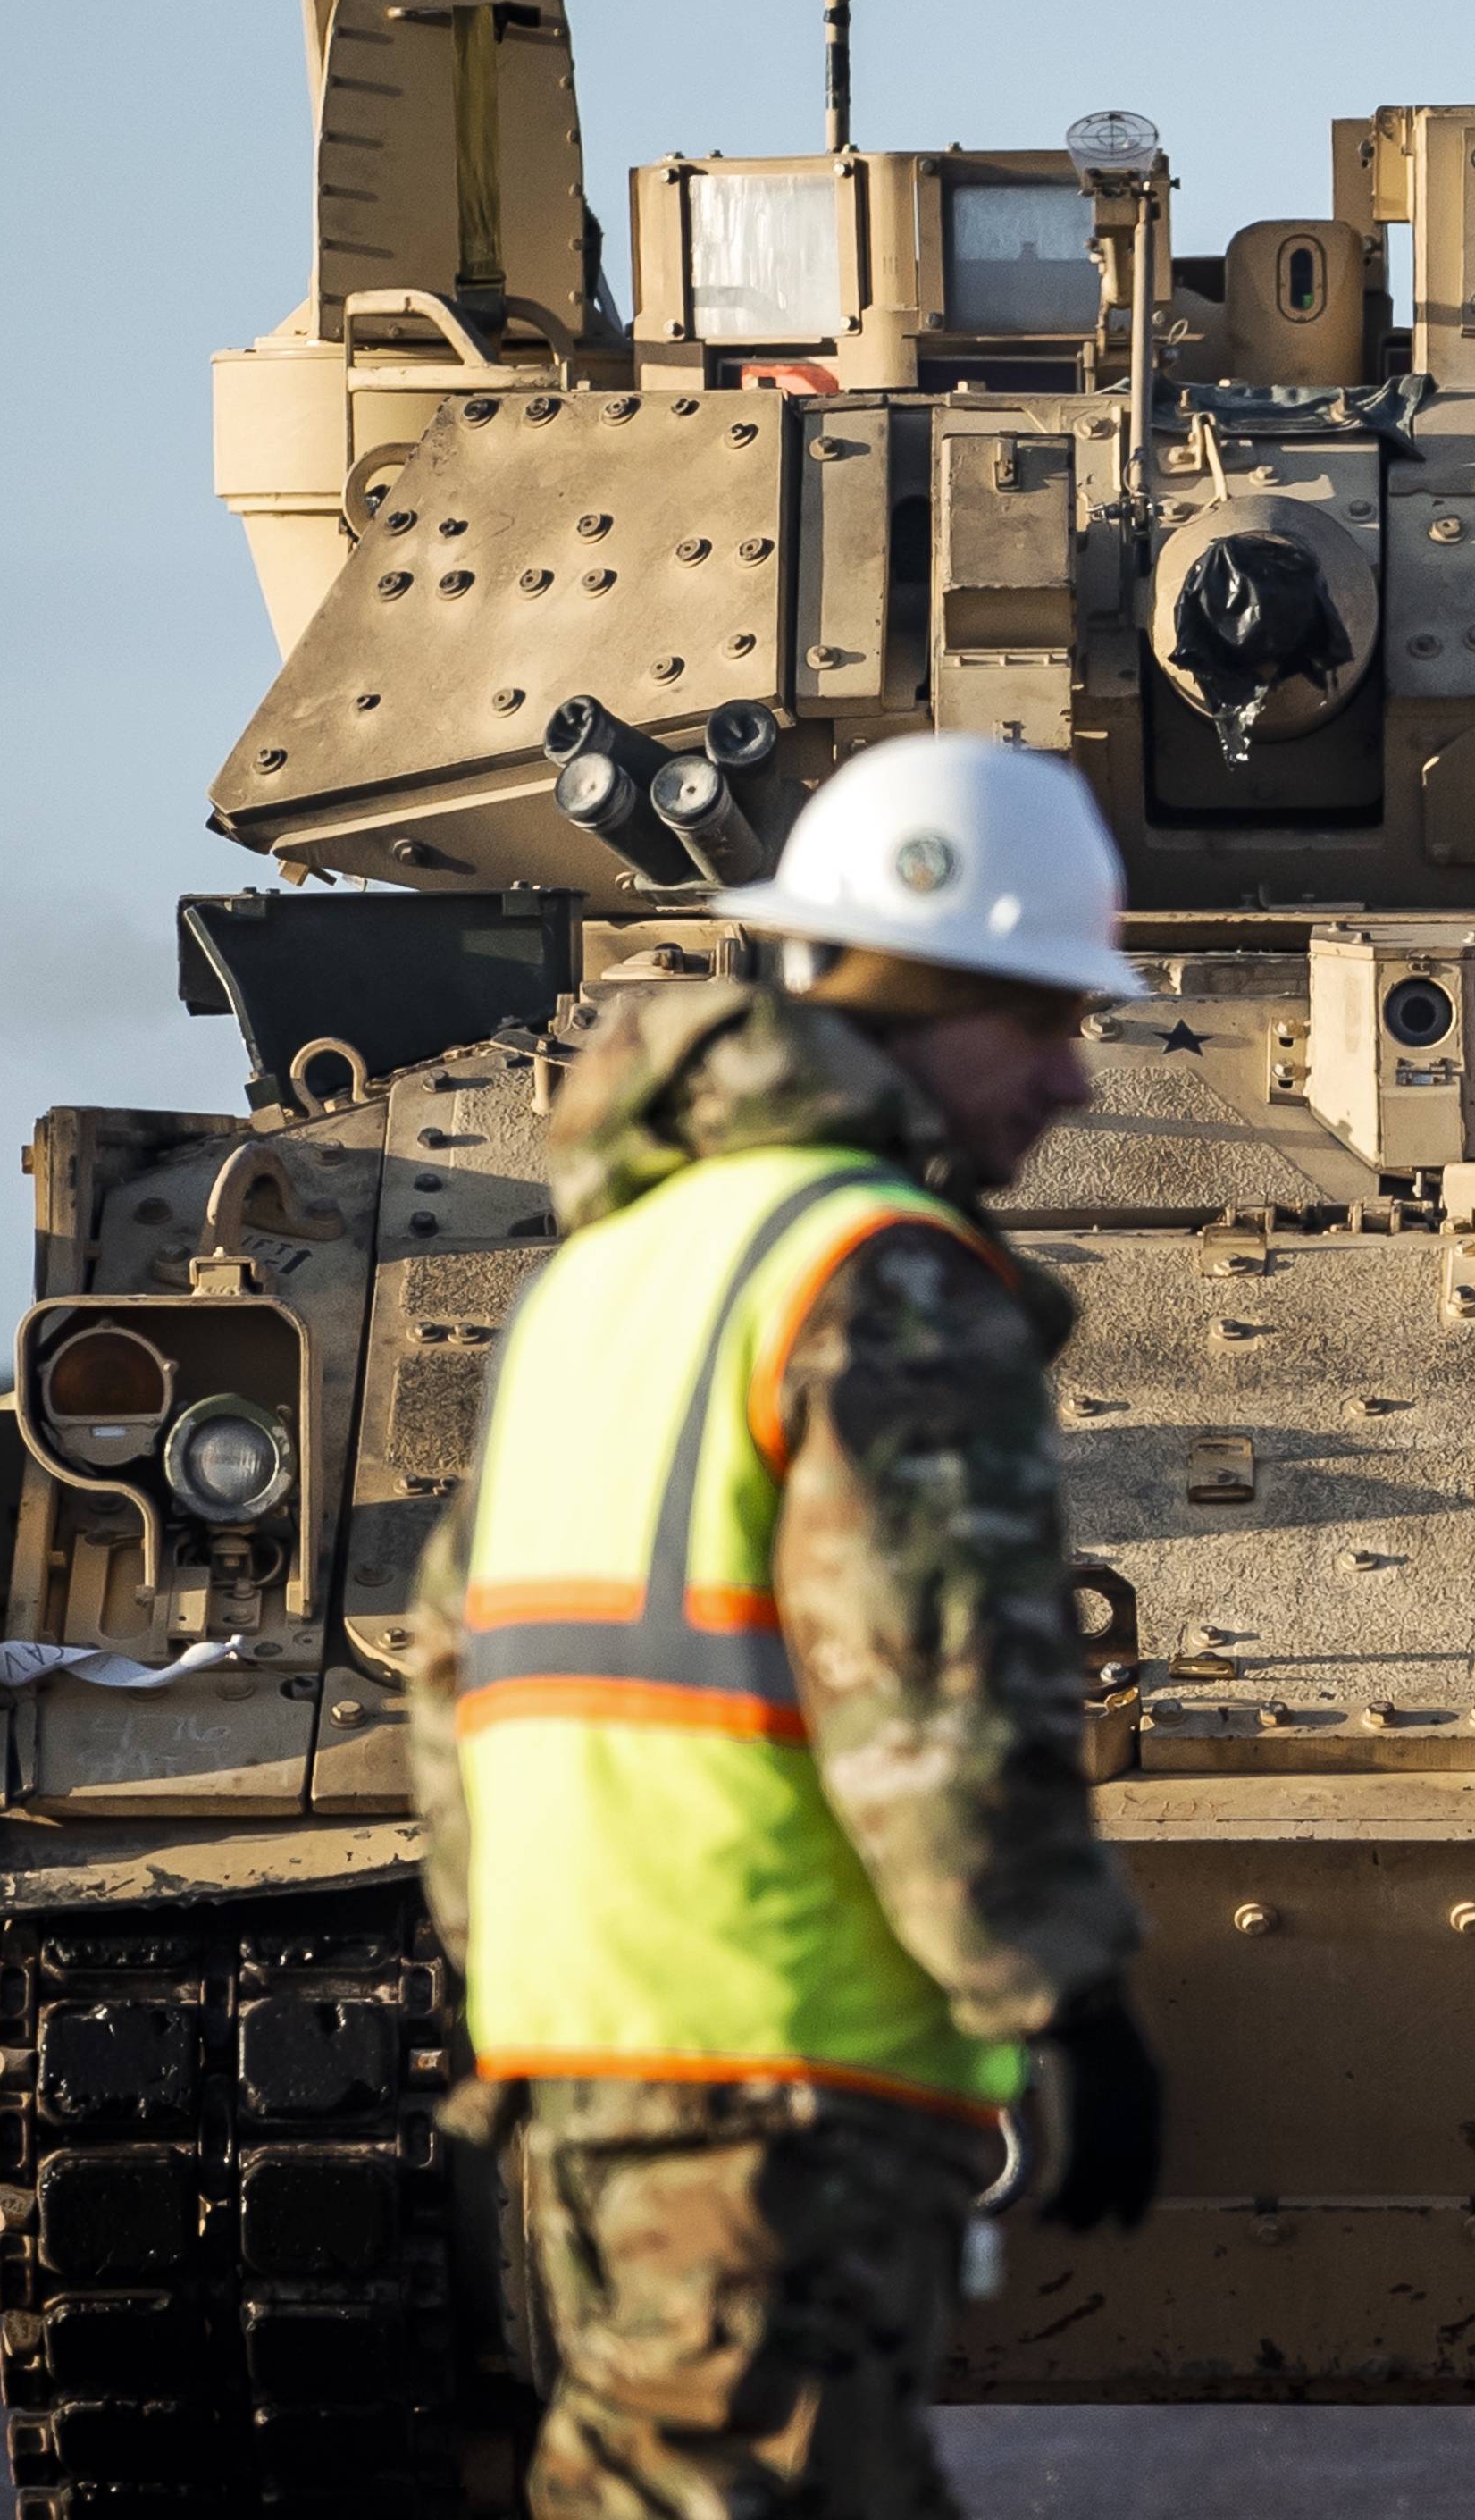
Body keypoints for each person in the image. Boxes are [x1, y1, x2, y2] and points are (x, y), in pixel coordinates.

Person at [403, 732, 1158, 2520]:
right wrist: (1061, 1991)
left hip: (598, 2050)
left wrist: (528, 1973)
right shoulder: (874, 1272)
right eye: (1044, 1019)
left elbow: (449, 1669)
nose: (1073, 1079)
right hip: (781, 2062)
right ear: (913, 998)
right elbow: (933, 1683)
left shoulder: (606, 1271)